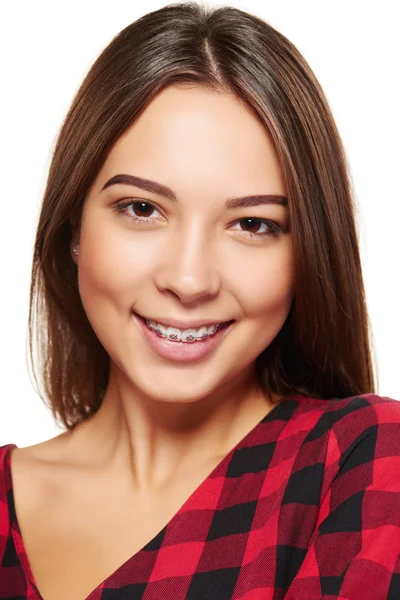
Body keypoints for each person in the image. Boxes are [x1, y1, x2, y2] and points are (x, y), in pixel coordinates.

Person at [1, 3, 399, 599]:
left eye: (254, 224)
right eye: (142, 209)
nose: (190, 281)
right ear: (73, 230)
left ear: (307, 254)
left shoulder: (361, 466)